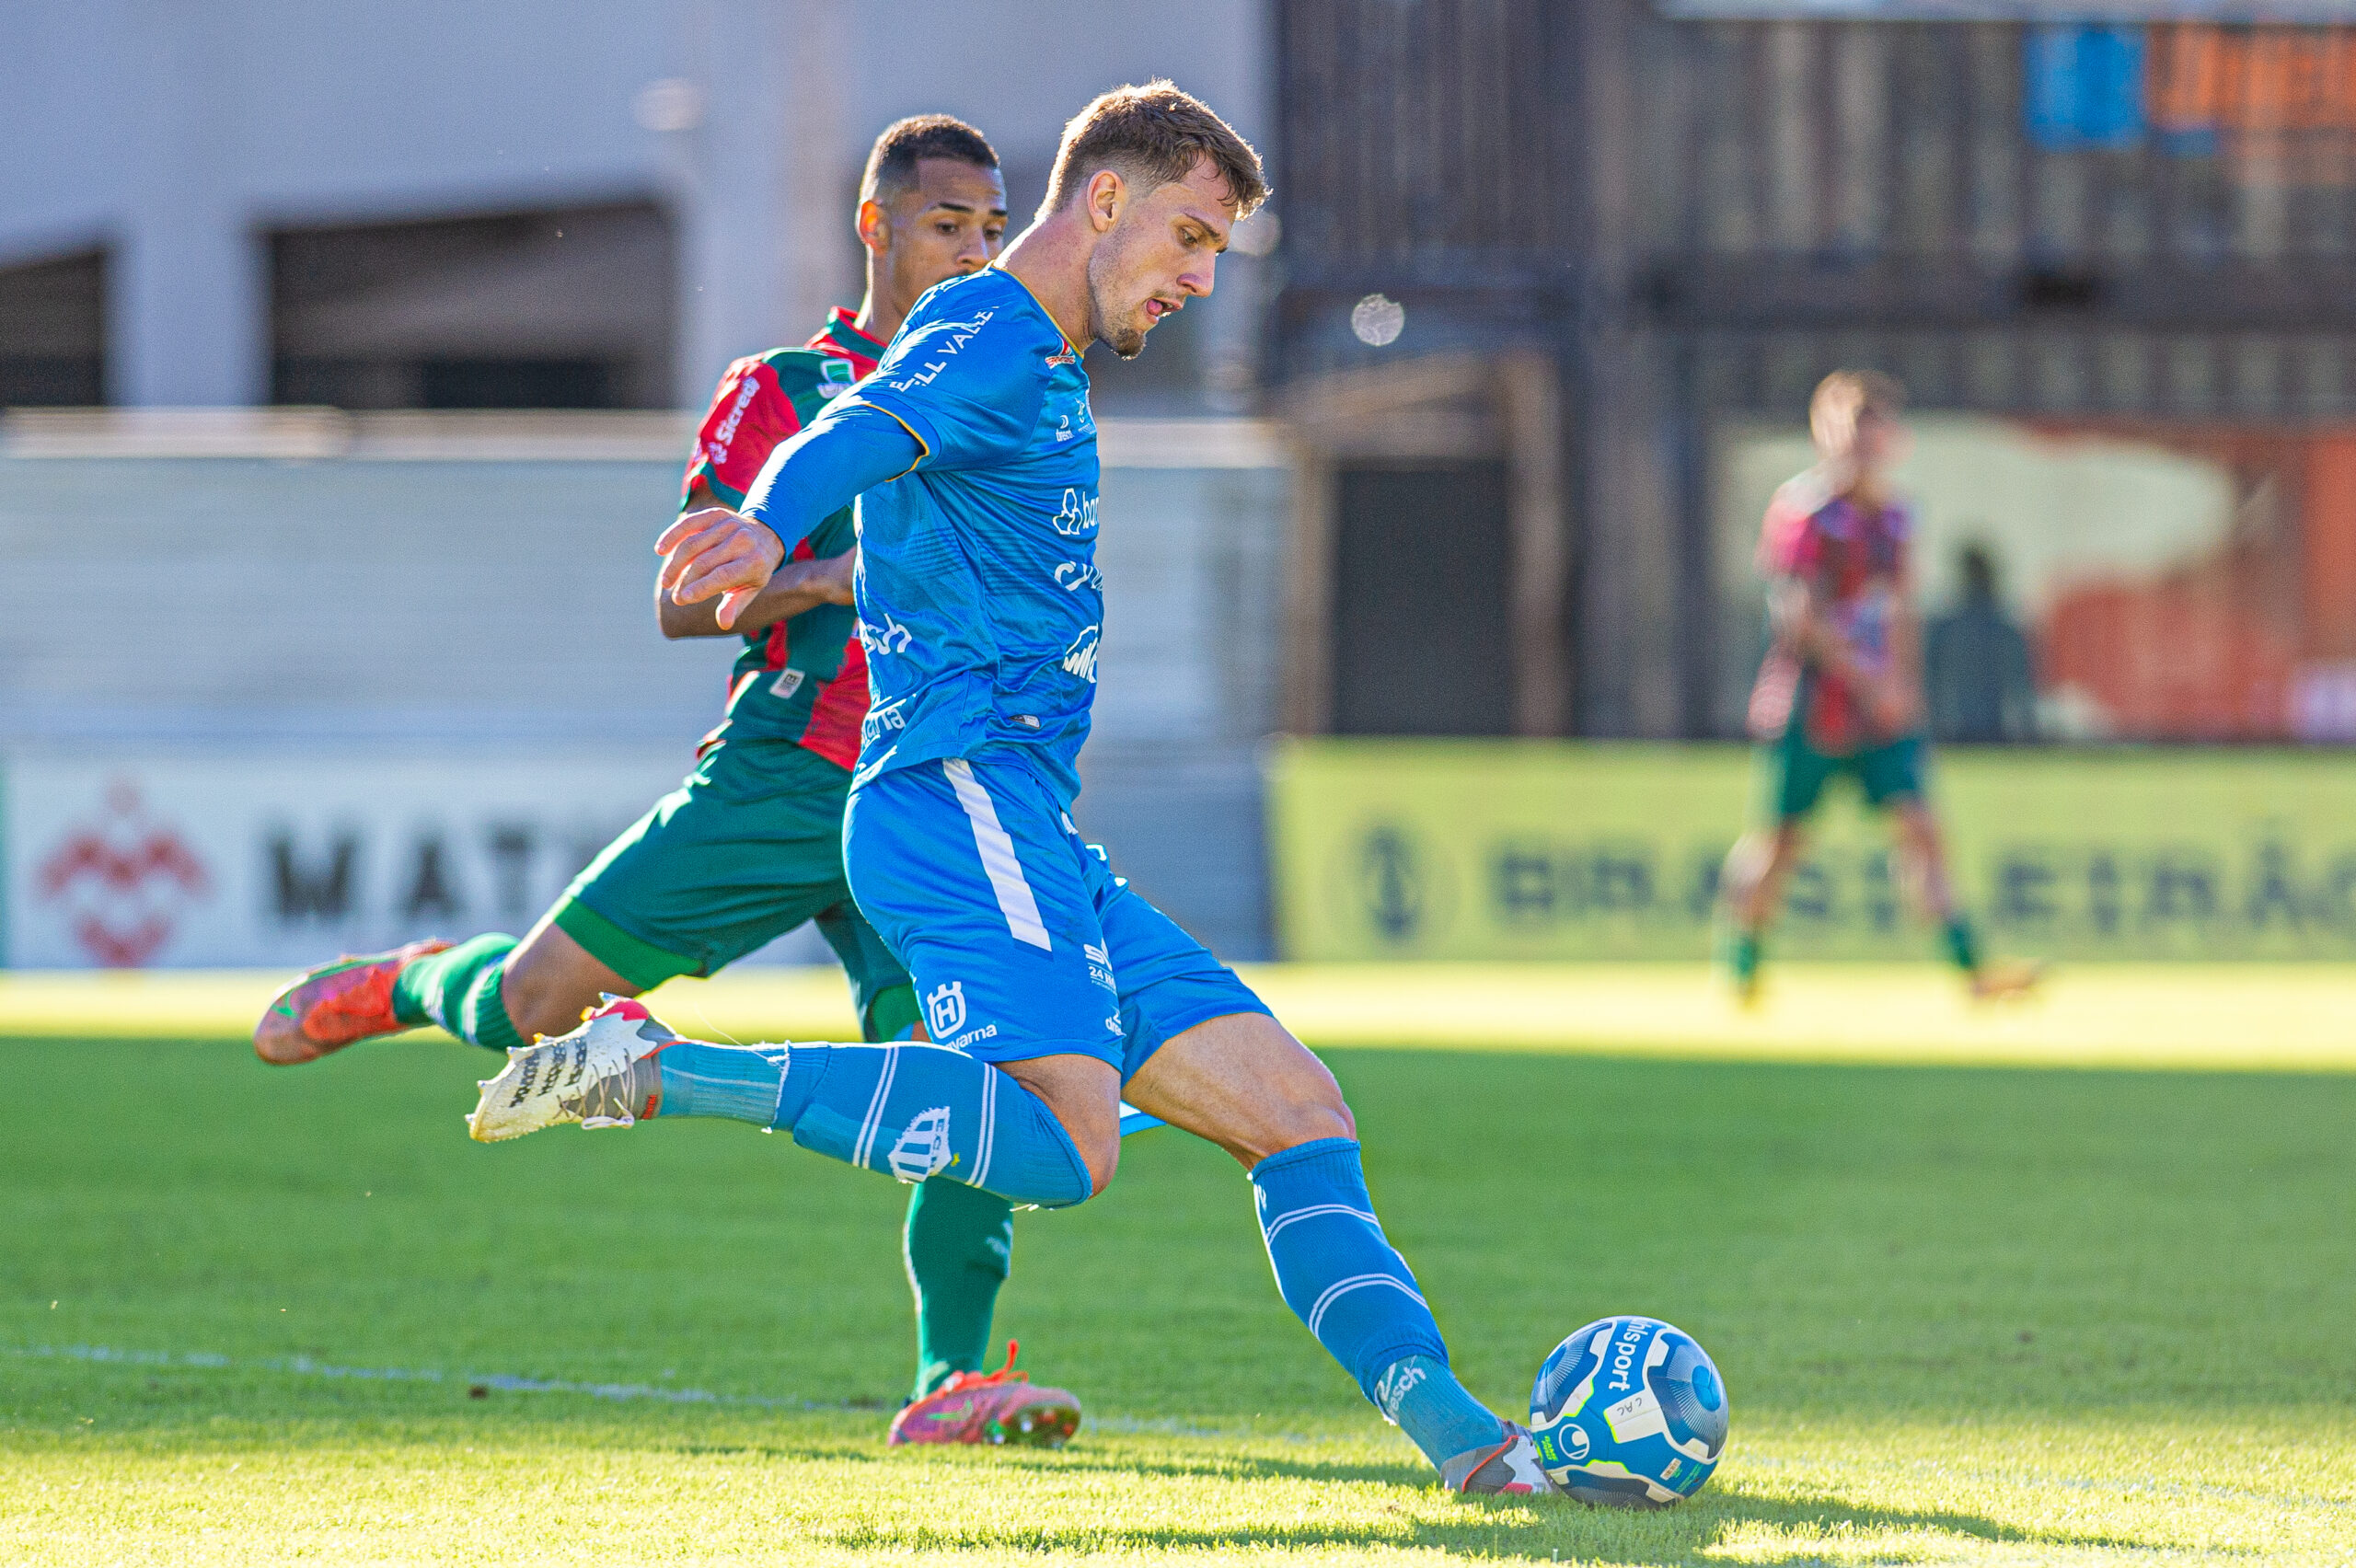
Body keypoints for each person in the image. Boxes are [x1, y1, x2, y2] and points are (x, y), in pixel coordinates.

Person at [467, 80, 1557, 1497]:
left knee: (1300, 1115)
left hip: (1025, 820)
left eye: (1217, 253)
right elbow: (861, 427)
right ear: (1105, 199)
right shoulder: (984, 326)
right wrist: (760, 518)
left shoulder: (1033, 353)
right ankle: (662, 1069)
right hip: (948, 797)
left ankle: (1479, 1458)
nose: (1197, 280)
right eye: (1189, 237)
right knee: (1067, 1146)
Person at [254, 115, 1085, 1447]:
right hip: (791, 771)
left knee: (971, 1076)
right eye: (949, 224)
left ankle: (952, 1380)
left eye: (993, 227)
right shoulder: (787, 386)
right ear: (876, 226)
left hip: (934, 792)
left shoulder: (1009, 380)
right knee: (539, 1004)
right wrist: (829, 576)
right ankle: (405, 983)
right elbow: (679, 603)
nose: (977, 249)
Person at [1719, 371, 2039, 1004]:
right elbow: (1798, 618)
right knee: (1780, 842)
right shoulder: (1806, 513)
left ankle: (1972, 973)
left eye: (1875, 433)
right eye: (1851, 434)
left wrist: (1904, 690)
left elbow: (1897, 613)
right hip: (1813, 708)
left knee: (1922, 832)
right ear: (1826, 437)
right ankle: (1741, 965)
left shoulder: (1895, 519)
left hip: (1880, 714)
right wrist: (1871, 682)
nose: (1864, 448)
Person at [1925, 542, 2037, 744]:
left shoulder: (1945, 628)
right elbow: (2024, 689)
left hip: (1962, 732)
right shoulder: (2006, 630)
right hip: (1980, 733)